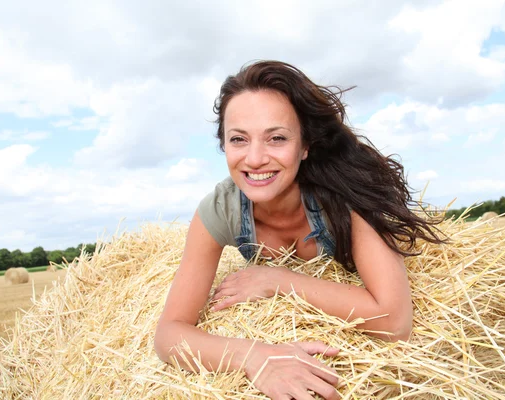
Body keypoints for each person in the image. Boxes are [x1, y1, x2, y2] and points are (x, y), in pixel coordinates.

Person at [154, 60, 444, 400]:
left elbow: (394, 322)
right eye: (238, 139)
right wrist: (253, 356)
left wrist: (277, 281)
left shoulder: (348, 196)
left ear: (305, 145)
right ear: (224, 145)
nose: (255, 158)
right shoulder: (219, 210)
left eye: (276, 138)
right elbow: (169, 334)